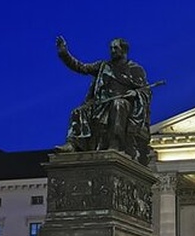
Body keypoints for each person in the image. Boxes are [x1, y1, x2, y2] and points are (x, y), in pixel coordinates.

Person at [56, 36, 153, 164]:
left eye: (115, 48)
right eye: (111, 48)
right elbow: (81, 67)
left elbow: (146, 91)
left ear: (124, 50)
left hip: (123, 103)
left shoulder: (135, 69)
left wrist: (135, 93)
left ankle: (115, 145)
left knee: (118, 105)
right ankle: (73, 144)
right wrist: (64, 53)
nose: (112, 51)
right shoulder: (103, 66)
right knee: (78, 111)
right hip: (101, 103)